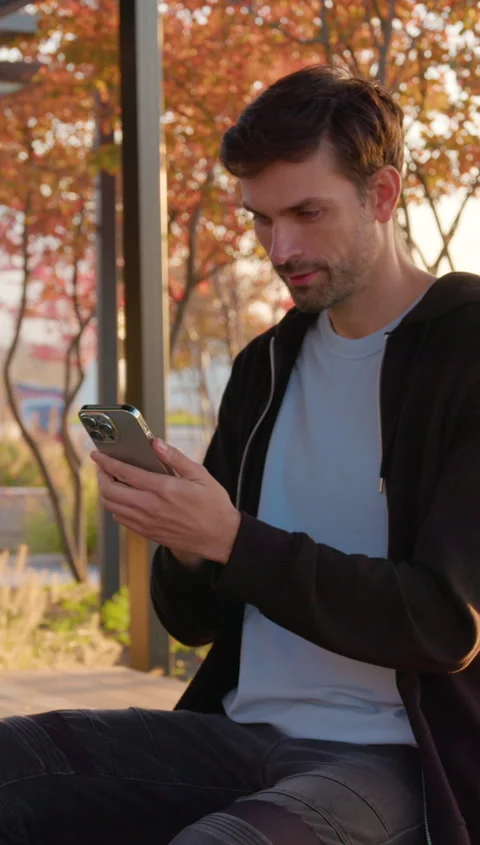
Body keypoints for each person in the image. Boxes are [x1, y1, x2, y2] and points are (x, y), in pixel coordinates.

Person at [1, 66, 479, 845]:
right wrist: (186, 543)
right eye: (261, 219)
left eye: (306, 212)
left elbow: (444, 623)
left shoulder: (465, 353)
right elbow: (194, 622)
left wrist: (230, 538)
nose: (279, 248)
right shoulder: (266, 364)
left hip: (392, 757)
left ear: (384, 195)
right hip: (238, 731)